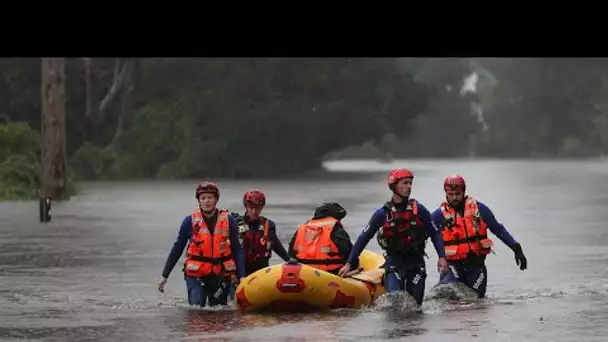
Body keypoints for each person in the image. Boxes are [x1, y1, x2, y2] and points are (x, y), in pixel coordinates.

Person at [337, 168, 448, 307]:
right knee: (395, 302)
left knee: (415, 306)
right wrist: (348, 263)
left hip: (416, 264)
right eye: (405, 183)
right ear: (394, 185)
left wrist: (442, 257)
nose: (409, 187)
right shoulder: (382, 213)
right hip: (394, 263)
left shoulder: (419, 210)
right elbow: (364, 237)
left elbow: (435, 233)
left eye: (410, 183)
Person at [431, 174, 528, 298]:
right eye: (451, 194)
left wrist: (516, 248)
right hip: (453, 265)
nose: (455, 198)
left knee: (475, 300)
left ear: (464, 192)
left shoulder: (480, 210)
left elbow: (498, 229)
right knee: (449, 291)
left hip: (476, 266)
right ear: (446, 194)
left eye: (458, 194)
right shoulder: (438, 216)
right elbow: (425, 234)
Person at [157, 181, 245, 307]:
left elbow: (237, 250)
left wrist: (242, 277)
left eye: (210, 197)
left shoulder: (229, 220)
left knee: (219, 312)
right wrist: (164, 275)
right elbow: (178, 248)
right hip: (196, 274)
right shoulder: (189, 221)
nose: (207, 201)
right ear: (199, 201)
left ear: (216, 200)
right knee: (197, 308)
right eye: (203, 198)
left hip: (220, 274)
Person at [231, 189, 291, 276]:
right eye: (251, 208)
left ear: (262, 207)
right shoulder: (236, 224)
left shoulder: (269, 225)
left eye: (258, 208)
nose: (254, 212)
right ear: (246, 207)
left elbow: (277, 246)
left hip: (262, 273)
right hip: (241, 274)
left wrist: (289, 260)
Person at [288, 202, 358, 275]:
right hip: (330, 273)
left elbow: (291, 253)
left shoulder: (301, 229)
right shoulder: (335, 229)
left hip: (303, 272)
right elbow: (349, 253)